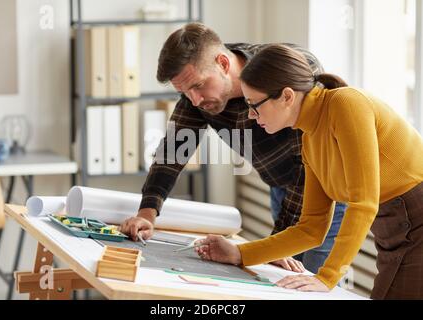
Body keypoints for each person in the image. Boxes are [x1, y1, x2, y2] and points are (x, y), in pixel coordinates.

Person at [194, 44, 423, 299]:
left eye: (254, 104)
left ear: (287, 96)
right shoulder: (309, 138)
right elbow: (311, 228)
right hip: (395, 228)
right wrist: (240, 253)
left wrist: (327, 277)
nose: (250, 115)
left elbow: (363, 202)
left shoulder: (346, 105)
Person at [120, 22, 347, 274]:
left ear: (223, 64)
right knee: (282, 279)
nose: (194, 100)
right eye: (185, 92)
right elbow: (173, 152)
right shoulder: (197, 96)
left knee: (310, 283)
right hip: (280, 188)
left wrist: (273, 246)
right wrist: (146, 214)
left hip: (326, 192)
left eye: (197, 86)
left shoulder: (282, 73)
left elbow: (306, 172)